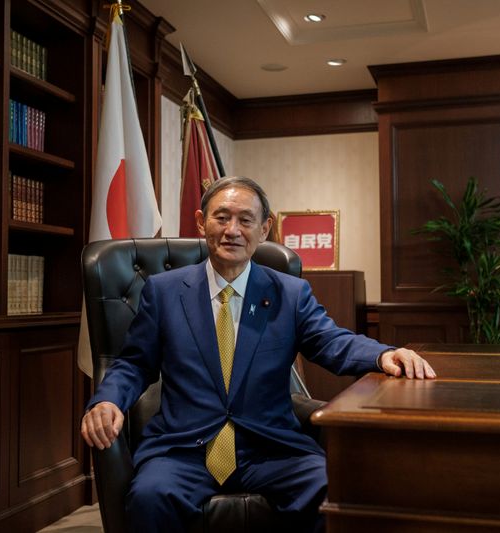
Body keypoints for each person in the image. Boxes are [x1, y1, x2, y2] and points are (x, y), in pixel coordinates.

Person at [81, 176, 436, 532]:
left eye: (245, 220)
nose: (232, 230)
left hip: (269, 446)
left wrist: (383, 355)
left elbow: (332, 341)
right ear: (201, 222)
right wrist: (107, 400)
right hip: (185, 449)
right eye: (221, 218)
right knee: (149, 496)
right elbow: (134, 362)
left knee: (329, 489)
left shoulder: (289, 293)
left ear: (265, 229)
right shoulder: (164, 291)